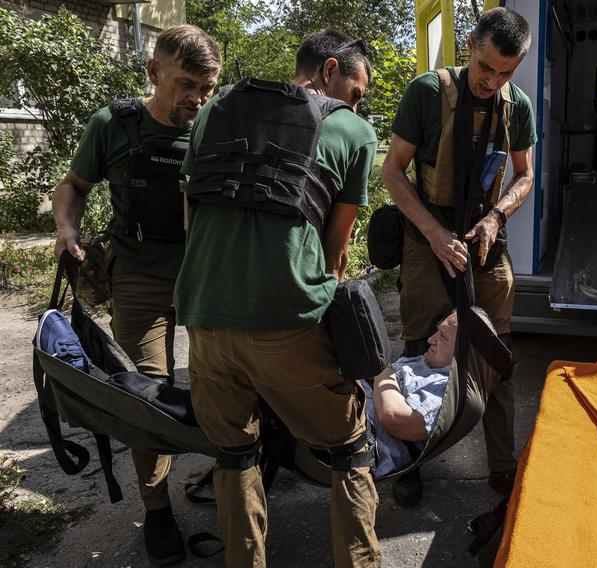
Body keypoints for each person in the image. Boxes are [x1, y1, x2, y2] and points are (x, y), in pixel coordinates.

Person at [176, 29, 380, 568]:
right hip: (286, 323)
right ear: (330, 70)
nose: (355, 105)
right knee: (351, 448)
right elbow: (335, 256)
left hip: (203, 318)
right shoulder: (352, 130)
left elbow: (192, 216)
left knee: (235, 454)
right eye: (356, 92)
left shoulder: (215, 110)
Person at [50, 25, 222, 566]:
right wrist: (66, 228)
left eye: (206, 88)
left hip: (208, 281)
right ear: (153, 74)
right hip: (139, 281)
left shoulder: (214, 129)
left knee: (227, 387)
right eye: (186, 84)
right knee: (149, 394)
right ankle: (158, 509)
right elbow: (73, 186)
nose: (196, 99)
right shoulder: (115, 124)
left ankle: (230, 471)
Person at [380, 6, 536, 506]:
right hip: (429, 233)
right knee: (417, 348)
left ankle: (502, 467)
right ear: (470, 44)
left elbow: (525, 175)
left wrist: (497, 217)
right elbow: (392, 171)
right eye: (486, 67)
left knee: (498, 352)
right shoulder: (428, 92)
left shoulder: (519, 107)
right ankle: (408, 463)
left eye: (505, 73)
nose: (492, 80)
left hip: (485, 234)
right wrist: (430, 232)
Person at [366, 308, 492, 478]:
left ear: (464, 352)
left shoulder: (445, 388)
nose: (431, 339)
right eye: (437, 331)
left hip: (363, 440)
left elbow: (394, 417)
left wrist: (381, 368)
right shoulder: (425, 360)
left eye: (443, 336)